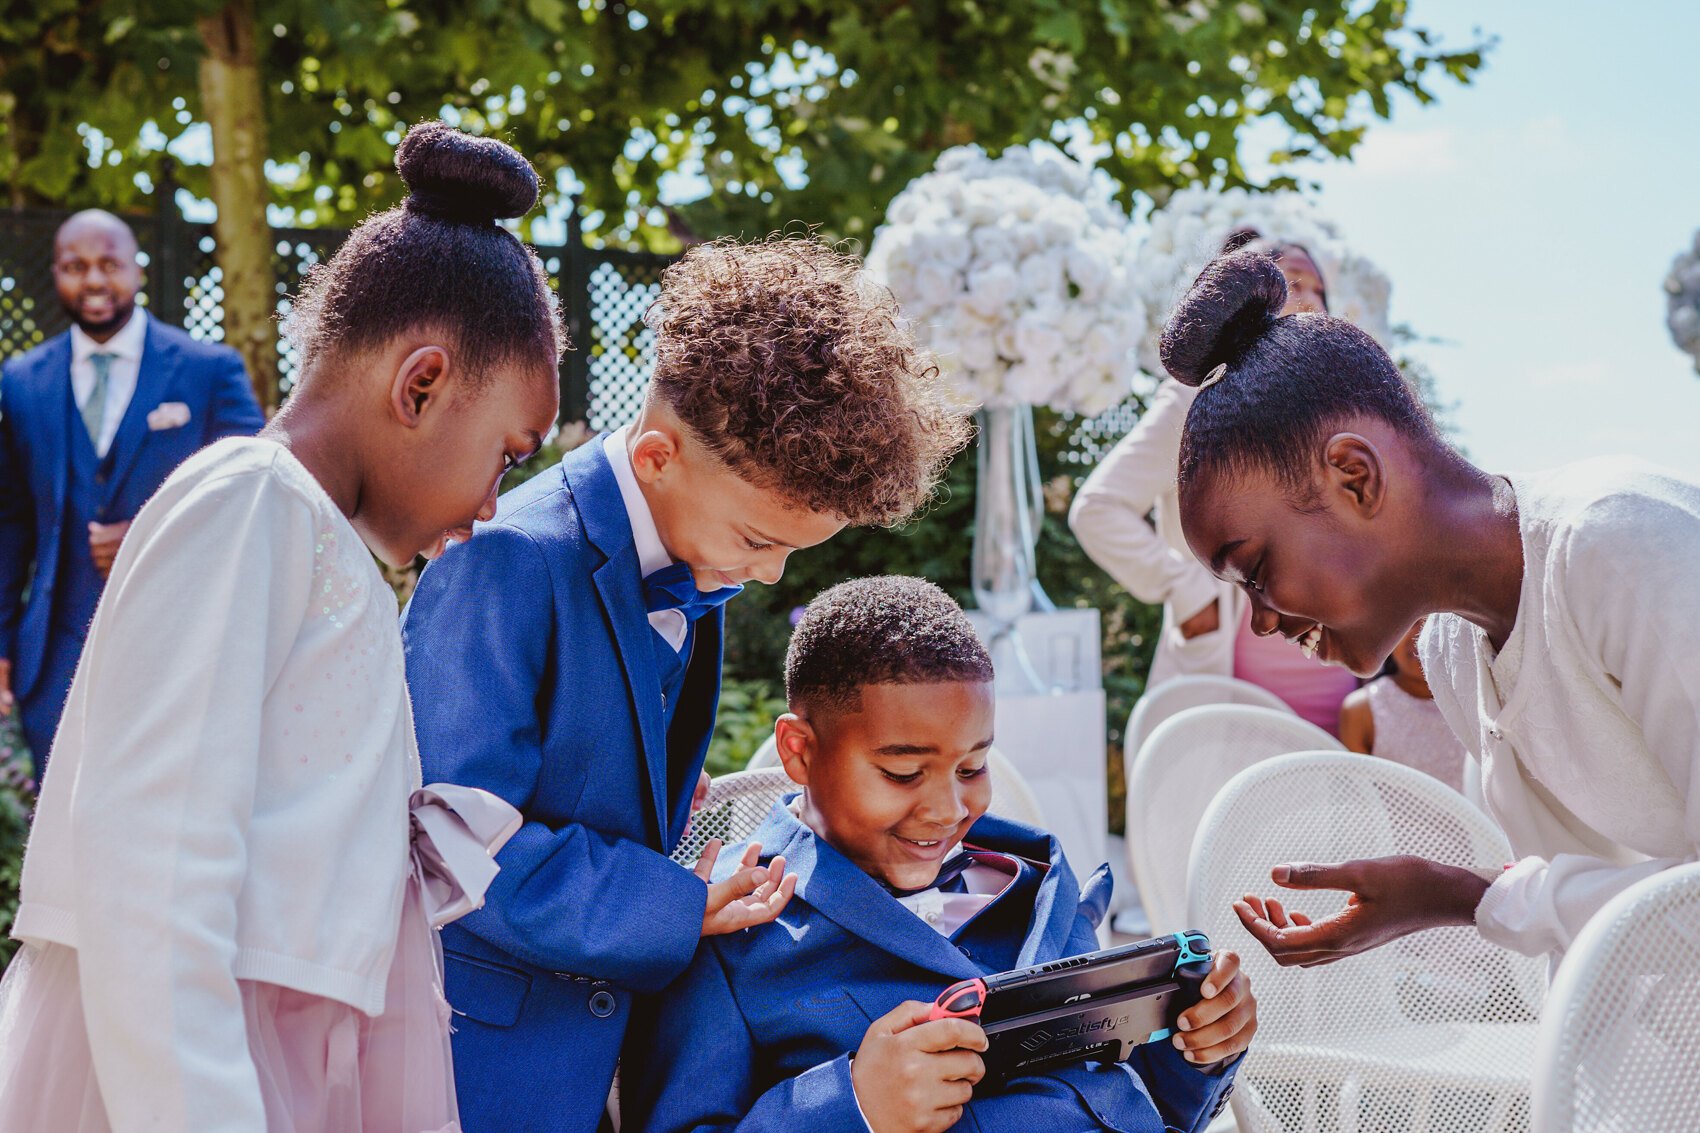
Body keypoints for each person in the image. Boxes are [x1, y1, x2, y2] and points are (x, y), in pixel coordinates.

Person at [0, 120, 563, 1131]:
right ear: (421, 383)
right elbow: (156, 864)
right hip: (199, 1072)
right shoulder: (249, 504)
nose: (490, 502)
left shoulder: (315, 535)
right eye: (507, 454)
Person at [399, 240, 971, 1133]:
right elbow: (447, 840)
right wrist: (676, 901)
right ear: (659, 457)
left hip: (601, 1060)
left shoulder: (694, 560)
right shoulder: (508, 557)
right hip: (480, 1065)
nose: (772, 574)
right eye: (757, 540)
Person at [1156, 245, 1700, 967]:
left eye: (1255, 569)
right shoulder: (1451, 647)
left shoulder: (1617, 546)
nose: (1260, 619)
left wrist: (1464, 897)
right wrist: (1457, 899)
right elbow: (1599, 935)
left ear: (1355, 476)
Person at [624, 576, 1254, 1133]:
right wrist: (854, 1106)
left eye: (973, 766)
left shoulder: (1035, 885)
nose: (947, 808)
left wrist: (1196, 1048)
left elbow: (1141, 1103)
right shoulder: (724, 926)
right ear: (799, 753)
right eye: (902, 773)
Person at [0, 210, 265, 769]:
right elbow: (11, 523)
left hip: (181, 656)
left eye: (108, 264)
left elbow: (258, 496)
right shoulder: (22, 383)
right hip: (53, 666)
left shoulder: (208, 371)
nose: (93, 280)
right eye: (76, 266)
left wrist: (154, 534)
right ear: (56, 274)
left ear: (137, 270)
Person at [1070, 230, 1357, 735]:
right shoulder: (1192, 403)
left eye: (1317, 289)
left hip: (1336, 686)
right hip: (1229, 691)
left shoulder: (1344, 413)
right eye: (1292, 282)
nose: (1309, 298)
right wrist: (1186, 591)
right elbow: (1098, 508)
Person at [1338, 618, 1471, 795]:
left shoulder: (1478, 703)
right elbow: (1359, 799)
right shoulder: (1362, 711)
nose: (1420, 634)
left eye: (1433, 620)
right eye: (1411, 621)